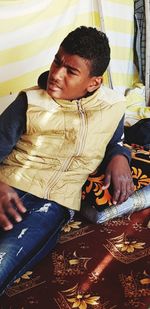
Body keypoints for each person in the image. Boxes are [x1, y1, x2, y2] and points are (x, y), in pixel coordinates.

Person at [0, 26, 134, 294]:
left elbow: (114, 139)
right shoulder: (30, 102)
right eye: (56, 62)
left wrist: (120, 156)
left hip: (52, 205)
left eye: (71, 71)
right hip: (9, 187)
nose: (56, 75)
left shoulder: (114, 106)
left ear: (93, 82)